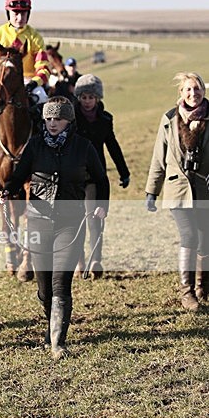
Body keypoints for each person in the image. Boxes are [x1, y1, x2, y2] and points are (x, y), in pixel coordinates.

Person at [0, 97, 109, 360]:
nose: (52, 123)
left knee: (61, 282)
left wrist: (101, 205)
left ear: (68, 120)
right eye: (48, 119)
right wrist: (7, 190)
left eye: (57, 119)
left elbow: (100, 179)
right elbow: (19, 175)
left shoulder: (84, 147)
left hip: (71, 223)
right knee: (44, 287)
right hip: (38, 220)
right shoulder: (35, 145)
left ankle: (58, 341)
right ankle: (50, 326)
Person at [145, 71, 209, 311]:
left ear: (204, 90)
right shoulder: (169, 119)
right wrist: (152, 191)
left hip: (205, 189)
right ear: (181, 93)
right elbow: (158, 158)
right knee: (189, 236)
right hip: (177, 189)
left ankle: (204, 286)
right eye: (189, 89)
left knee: (206, 240)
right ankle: (187, 293)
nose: (194, 93)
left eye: (198, 88)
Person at [73, 73, 130, 278]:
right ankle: (79, 261)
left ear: (98, 98)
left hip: (95, 177)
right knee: (74, 220)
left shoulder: (105, 120)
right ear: (78, 97)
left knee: (94, 218)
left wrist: (124, 172)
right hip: (73, 177)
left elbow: (113, 146)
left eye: (91, 97)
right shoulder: (70, 118)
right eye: (83, 97)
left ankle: (95, 259)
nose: (87, 101)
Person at [0, 0, 51, 153]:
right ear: (8, 13)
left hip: (28, 82)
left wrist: (34, 83)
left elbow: (44, 67)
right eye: (15, 13)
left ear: (28, 14)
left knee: (44, 104)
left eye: (23, 14)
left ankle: (46, 144)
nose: (19, 18)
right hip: (2, 81)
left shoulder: (35, 37)